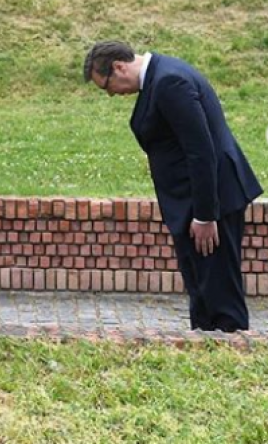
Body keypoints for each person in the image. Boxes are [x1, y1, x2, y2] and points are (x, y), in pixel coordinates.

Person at [83, 41, 262, 332]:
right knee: (202, 293)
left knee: (220, 296)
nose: (112, 94)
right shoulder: (162, 75)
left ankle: (231, 355)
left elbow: (201, 150)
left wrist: (205, 216)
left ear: (119, 66)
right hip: (194, 204)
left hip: (210, 203)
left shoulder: (169, 82)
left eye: (107, 86)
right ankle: (205, 353)